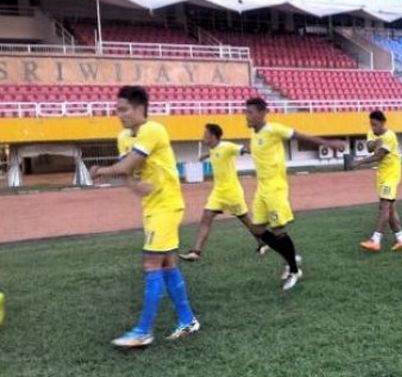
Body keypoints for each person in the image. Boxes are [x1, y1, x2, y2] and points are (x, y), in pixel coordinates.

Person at [90, 86, 199, 348]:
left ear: (140, 109)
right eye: (117, 109)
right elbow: (129, 173)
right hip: (152, 207)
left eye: (124, 109)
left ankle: (143, 331)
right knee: (167, 265)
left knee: (151, 263)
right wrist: (134, 186)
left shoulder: (154, 130)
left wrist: (100, 170)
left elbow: (126, 166)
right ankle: (188, 320)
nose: (119, 114)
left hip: (167, 206)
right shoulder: (123, 137)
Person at [244, 97, 345, 291]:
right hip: (261, 188)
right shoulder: (254, 135)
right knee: (256, 229)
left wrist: (329, 143)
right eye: (246, 111)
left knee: (279, 231)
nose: (246, 116)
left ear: (262, 113)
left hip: (275, 188)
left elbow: (300, 136)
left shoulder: (273, 129)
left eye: (250, 112)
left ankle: (293, 269)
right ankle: (290, 257)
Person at [179, 123, 268, 262]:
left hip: (232, 193)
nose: (203, 137)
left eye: (205, 135)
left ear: (213, 136)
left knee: (246, 221)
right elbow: (215, 152)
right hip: (218, 193)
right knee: (206, 217)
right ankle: (196, 252)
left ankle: (263, 242)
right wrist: (205, 155)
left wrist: (261, 149)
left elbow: (244, 149)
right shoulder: (214, 148)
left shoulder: (227, 146)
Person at [347, 110, 402, 252]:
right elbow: (369, 148)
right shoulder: (372, 132)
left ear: (382, 123)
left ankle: (376, 240)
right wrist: (375, 141)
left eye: (375, 125)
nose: (373, 128)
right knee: (390, 209)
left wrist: (358, 162)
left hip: (392, 175)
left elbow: (378, 156)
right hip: (382, 174)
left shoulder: (390, 137)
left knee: (384, 207)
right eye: (371, 125)